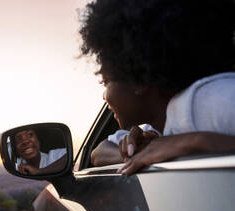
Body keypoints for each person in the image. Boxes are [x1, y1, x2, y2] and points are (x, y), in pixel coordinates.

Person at [80, 0, 235, 174]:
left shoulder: (208, 101)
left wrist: (195, 142)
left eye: (105, 82)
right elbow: (98, 152)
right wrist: (138, 154)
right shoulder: (156, 129)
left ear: (138, 78)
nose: (104, 96)